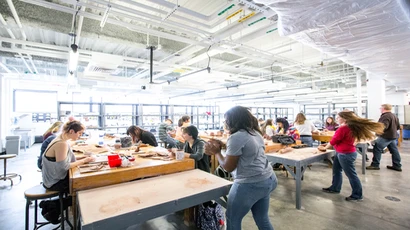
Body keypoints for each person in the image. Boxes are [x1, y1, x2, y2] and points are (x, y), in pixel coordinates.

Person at [205, 106, 277, 230]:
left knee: (233, 218)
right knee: (262, 218)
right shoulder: (254, 132)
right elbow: (245, 149)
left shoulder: (237, 137)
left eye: (226, 119)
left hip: (250, 183)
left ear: (233, 120)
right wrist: (223, 145)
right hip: (268, 179)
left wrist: (217, 152)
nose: (224, 122)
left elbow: (228, 167)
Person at [319, 111, 383, 201]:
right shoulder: (350, 127)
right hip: (341, 152)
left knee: (351, 175)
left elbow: (334, 141)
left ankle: (357, 195)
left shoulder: (343, 128)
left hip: (345, 154)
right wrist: (327, 144)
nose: (337, 119)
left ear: (344, 118)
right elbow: (341, 140)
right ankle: (335, 188)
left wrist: (325, 147)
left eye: (338, 117)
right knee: (336, 170)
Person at [42, 121, 94, 192]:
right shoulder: (61, 144)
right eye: (79, 133)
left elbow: (64, 159)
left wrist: (82, 157)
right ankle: (72, 202)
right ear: (71, 131)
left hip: (51, 179)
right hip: (54, 183)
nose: (80, 136)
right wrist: (84, 161)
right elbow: (64, 166)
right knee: (87, 181)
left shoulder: (60, 139)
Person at [367, 104, 402, 171]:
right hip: (393, 136)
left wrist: (376, 132)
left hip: (386, 136)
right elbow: (398, 126)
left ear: (383, 108)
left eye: (380, 108)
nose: (380, 109)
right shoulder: (394, 115)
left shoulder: (385, 116)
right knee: (394, 151)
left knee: (377, 148)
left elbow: (383, 127)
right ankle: (397, 165)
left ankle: (375, 165)